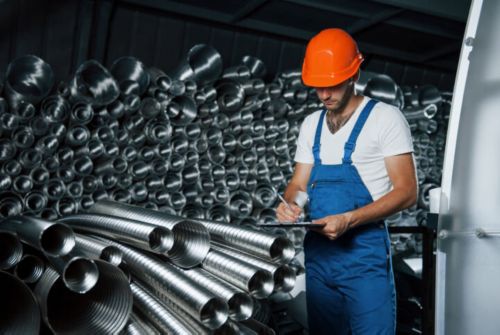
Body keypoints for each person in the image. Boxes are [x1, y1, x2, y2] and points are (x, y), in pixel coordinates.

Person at [276, 28, 417, 335]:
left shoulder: (386, 118)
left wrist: (349, 219)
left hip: (364, 261)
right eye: (317, 87)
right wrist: (291, 205)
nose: (324, 95)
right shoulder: (310, 124)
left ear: (354, 73)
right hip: (320, 259)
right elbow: (299, 183)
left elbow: (407, 192)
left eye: (333, 85)